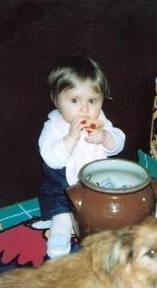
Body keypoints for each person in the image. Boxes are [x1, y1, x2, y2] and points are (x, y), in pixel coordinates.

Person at [38, 56, 126, 258]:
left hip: (97, 180)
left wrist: (105, 137)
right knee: (60, 206)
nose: (85, 109)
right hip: (63, 183)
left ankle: (110, 227)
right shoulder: (53, 126)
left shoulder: (100, 120)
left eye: (92, 101)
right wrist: (71, 138)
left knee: (112, 195)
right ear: (56, 100)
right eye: (74, 100)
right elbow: (51, 158)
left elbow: (119, 143)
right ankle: (60, 231)